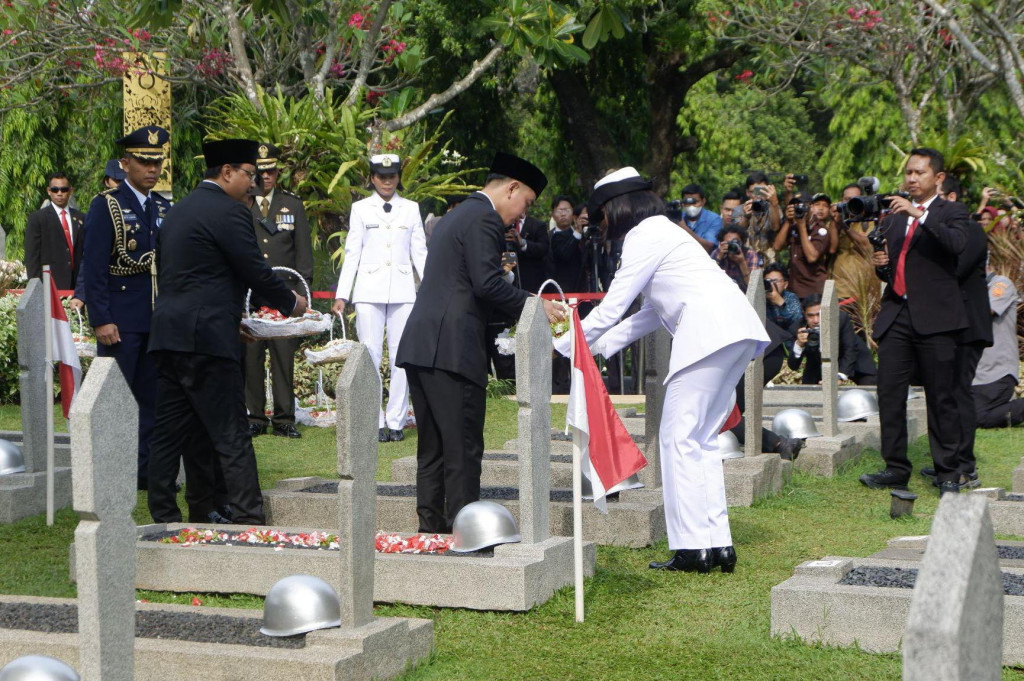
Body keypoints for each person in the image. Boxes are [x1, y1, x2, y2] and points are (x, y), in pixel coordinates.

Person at [554, 167, 769, 574]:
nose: (601, 223)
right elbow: (650, 312)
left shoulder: (644, 236)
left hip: (709, 334)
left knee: (677, 439)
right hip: (733, 330)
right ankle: (716, 544)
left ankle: (692, 549)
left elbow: (614, 306)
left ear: (618, 208)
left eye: (602, 214)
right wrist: (597, 347)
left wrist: (564, 345)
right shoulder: (665, 231)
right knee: (700, 441)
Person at [395, 152, 563, 534]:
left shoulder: (457, 215)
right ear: (512, 188)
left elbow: (466, 279)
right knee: (463, 447)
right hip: (452, 349)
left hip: (424, 344)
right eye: (526, 203)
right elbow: (485, 284)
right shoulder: (485, 218)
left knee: (433, 449)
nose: (522, 215)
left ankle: (432, 530)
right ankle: (465, 531)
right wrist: (535, 304)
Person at [147, 139, 308, 526]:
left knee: (170, 434)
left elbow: (184, 277)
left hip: (169, 335)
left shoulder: (177, 211)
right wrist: (293, 304)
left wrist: (230, 319)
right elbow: (254, 269)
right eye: (249, 174)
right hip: (207, 341)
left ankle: (168, 515)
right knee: (231, 433)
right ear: (226, 172)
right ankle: (249, 517)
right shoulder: (230, 212)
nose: (253, 183)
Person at [860, 148, 971, 496]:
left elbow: (956, 245)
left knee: (941, 396)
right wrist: (882, 265)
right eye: (908, 172)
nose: (911, 179)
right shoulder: (894, 218)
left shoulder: (952, 211)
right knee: (889, 394)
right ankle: (896, 468)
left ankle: (948, 471)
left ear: (938, 178)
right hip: (897, 314)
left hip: (937, 318)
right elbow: (896, 267)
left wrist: (919, 215)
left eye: (919, 172)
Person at [81, 126, 172, 491]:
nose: (152, 169)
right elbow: (94, 267)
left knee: (152, 399)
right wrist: (101, 319)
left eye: (157, 163)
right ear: (125, 164)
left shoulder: (162, 206)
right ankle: (111, 471)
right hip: (120, 319)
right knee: (116, 398)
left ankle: (144, 471)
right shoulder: (107, 205)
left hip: (155, 319)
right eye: (144, 162)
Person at [333, 154, 427, 443]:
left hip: (402, 290)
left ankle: (396, 420)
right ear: (372, 178)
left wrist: (431, 288)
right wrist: (342, 294)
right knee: (370, 354)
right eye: (381, 177)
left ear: (398, 178)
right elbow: (353, 253)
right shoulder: (360, 209)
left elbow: (420, 252)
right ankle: (374, 419)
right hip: (368, 290)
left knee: (401, 355)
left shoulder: (411, 209)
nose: (387, 181)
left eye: (392, 176)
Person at [243, 143, 314, 440]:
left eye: (271, 170)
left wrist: (302, 293)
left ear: (278, 171)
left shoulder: (291, 204)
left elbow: (303, 254)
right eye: (261, 171)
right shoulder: (242, 204)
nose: (266, 176)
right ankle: (255, 417)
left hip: (285, 295)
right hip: (251, 295)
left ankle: (284, 418)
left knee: (283, 359)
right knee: (251, 359)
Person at [971, 267, 1024, 428]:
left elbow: (984, 312)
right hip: (975, 375)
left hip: (996, 373)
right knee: (963, 416)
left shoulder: (1001, 284)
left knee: (978, 417)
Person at [786, 294, 877, 385]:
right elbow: (793, 366)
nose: (816, 320)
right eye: (810, 316)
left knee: (868, 386)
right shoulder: (797, 328)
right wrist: (799, 345)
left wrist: (839, 377)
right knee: (809, 389)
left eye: (819, 314)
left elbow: (850, 349)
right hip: (818, 366)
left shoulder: (840, 319)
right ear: (804, 314)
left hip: (855, 362)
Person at [25, 172, 85, 292]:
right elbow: (32, 256)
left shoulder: (81, 217)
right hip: (50, 285)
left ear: (70, 191)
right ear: (49, 191)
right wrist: (36, 288)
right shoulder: (38, 218)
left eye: (64, 189)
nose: (59, 193)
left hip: (78, 285)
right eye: (55, 189)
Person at [774, 193, 833, 299]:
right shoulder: (793, 226)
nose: (798, 209)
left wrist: (802, 227)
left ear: (811, 207)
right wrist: (788, 221)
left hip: (812, 289)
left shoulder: (820, 229)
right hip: (794, 289)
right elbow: (777, 247)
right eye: (795, 207)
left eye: (801, 206)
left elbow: (812, 257)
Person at [505, 208, 549, 293]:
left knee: (531, 302)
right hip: (509, 281)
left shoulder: (538, 225)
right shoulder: (505, 225)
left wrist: (522, 243)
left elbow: (543, 249)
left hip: (532, 282)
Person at [709, 224, 762, 290]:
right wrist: (719, 257)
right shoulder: (718, 252)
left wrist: (742, 263)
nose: (732, 245)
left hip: (743, 293)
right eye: (728, 243)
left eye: (735, 242)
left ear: (742, 242)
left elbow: (754, 288)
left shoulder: (750, 255)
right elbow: (708, 278)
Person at [680, 183, 722, 251]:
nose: (691, 206)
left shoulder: (713, 219)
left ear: (703, 201)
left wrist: (684, 228)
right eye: (687, 202)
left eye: (695, 202)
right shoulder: (678, 217)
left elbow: (709, 247)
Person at [764, 263, 802, 329]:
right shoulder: (761, 298)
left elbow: (797, 322)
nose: (771, 284)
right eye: (768, 281)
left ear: (785, 284)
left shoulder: (791, 297)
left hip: (787, 333)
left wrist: (781, 303)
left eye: (775, 281)